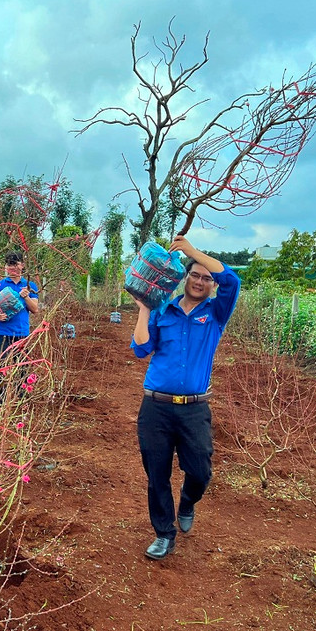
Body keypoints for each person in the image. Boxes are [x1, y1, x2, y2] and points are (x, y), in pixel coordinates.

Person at [131, 235, 241, 560]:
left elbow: (231, 280)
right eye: (194, 274)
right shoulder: (163, 310)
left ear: (211, 285)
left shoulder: (216, 314)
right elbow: (140, 349)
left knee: (200, 471)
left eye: (206, 278)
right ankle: (164, 533)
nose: (200, 281)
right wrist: (143, 310)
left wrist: (193, 252)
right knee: (156, 473)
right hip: (156, 407)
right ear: (185, 277)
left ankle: (189, 500)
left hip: (194, 410)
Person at [0, 251, 39, 359]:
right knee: (0, 366)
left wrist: (26, 297)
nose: (12, 267)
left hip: (22, 333)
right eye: (9, 264)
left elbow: (35, 309)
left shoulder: (30, 285)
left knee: (21, 368)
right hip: (2, 333)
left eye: (15, 264)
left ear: (22, 265)